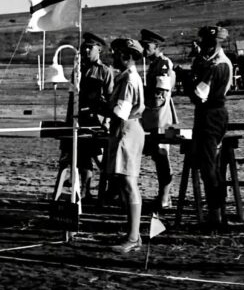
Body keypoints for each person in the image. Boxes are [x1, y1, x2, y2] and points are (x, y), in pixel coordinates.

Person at [188, 25, 234, 230]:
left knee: (209, 166)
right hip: (207, 114)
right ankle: (215, 213)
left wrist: (187, 78)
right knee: (206, 165)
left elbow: (198, 94)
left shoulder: (218, 65)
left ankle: (216, 216)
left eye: (210, 44)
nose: (206, 48)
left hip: (212, 114)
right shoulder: (211, 62)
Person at [105, 38, 146, 253]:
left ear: (124, 55)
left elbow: (120, 111)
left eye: (115, 53)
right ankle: (133, 234)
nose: (112, 57)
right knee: (124, 181)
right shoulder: (126, 77)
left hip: (127, 129)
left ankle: (133, 237)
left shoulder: (129, 79)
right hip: (125, 129)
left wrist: (97, 105)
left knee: (129, 182)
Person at [67, 32, 115, 200]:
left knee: (100, 158)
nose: (86, 50)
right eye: (84, 47)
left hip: (97, 121)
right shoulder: (78, 70)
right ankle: (86, 192)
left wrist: (107, 121)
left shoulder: (105, 71)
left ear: (99, 50)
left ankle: (111, 187)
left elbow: (110, 100)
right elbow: (72, 97)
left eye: (90, 47)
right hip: (80, 121)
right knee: (83, 158)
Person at [139, 29, 178, 215]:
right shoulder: (154, 63)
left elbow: (159, 95)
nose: (144, 49)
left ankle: (165, 197)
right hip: (153, 116)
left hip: (160, 116)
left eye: (147, 46)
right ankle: (163, 196)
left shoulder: (163, 64)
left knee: (162, 155)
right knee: (157, 155)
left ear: (157, 46)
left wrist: (143, 95)